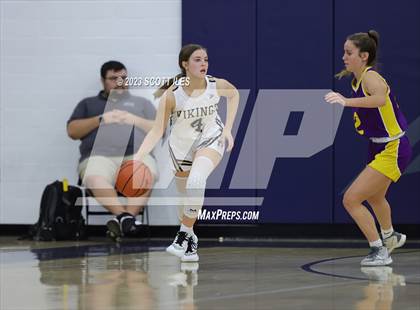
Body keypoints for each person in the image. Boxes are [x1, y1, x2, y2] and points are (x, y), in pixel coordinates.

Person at [133, 44, 240, 262]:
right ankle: (191, 241)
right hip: (181, 146)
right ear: (185, 64)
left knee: (196, 180)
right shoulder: (172, 96)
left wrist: (228, 128)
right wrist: (138, 156)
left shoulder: (215, 84)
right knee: (185, 199)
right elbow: (157, 130)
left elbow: (234, 94)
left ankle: (181, 236)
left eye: (206, 59)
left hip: (211, 138)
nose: (204, 64)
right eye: (198, 60)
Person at [325, 30, 412, 266]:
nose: (344, 56)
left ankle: (379, 250)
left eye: (348, 52)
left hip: (393, 147)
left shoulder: (371, 78)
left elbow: (380, 99)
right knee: (375, 198)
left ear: (364, 56)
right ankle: (390, 235)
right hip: (378, 146)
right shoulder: (357, 78)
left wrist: (346, 101)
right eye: (344, 52)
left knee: (351, 199)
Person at [67, 60, 158, 240]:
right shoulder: (88, 104)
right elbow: (72, 131)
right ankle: (126, 219)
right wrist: (101, 119)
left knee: (145, 173)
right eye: (113, 78)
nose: (120, 82)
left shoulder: (142, 103)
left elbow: (159, 131)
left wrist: (134, 120)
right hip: (98, 156)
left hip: (135, 155)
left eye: (123, 78)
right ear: (103, 81)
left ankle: (124, 220)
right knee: (94, 178)